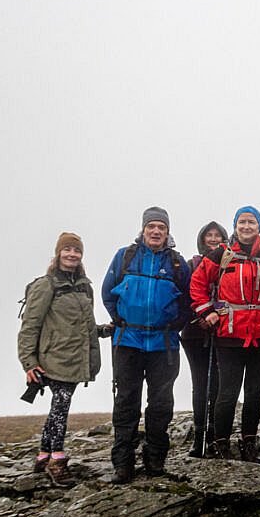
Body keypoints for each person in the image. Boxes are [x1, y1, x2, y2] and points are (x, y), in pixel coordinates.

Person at [191, 206, 260, 461]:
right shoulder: (221, 255)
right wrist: (207, 312)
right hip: (229, 336)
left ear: (259, 227)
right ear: (236, 226)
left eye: (252, 222)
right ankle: (221, 444)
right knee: (227, 392)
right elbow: (197, 283)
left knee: (254, 392)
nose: (247, 226)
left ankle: (249, 442)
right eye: (242, 222)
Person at [102, 207, 191, 483]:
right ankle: (123, 463)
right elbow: (108, 293)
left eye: (161, 227)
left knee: (161, 403)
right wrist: (121, 321)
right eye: (151, 226)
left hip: (163, 345)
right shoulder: (125, 257)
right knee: (127, 401)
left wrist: (172, 325)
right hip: (127, 342)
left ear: (167, 231)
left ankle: (155, 459)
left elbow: (188, 302)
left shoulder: (177, 263)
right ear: (143, 229)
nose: (155, 232)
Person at [18, 232, 108, 487]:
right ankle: (57, 460)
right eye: (67, 249)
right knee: (61, 405)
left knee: (58, 406)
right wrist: (28, 362)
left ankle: (43, 455)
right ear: (58, 253)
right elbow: (29, 327)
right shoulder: (46, 285)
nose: (72, 254)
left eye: (77, 251)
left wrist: (103, 330)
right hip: (53, 359)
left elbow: (85, 324)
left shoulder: (84, 285)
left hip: (75, 359)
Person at [182, 221, 228, 457]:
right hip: (194, 334)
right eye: (208, 235)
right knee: (201, 384)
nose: (213, 239)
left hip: (223, 333)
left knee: (219, 386)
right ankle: (199, 437)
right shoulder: (191, 265)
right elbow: (186, 294)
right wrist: (198, 316)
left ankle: (215, 435)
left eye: (217, 235)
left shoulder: (232, 265)